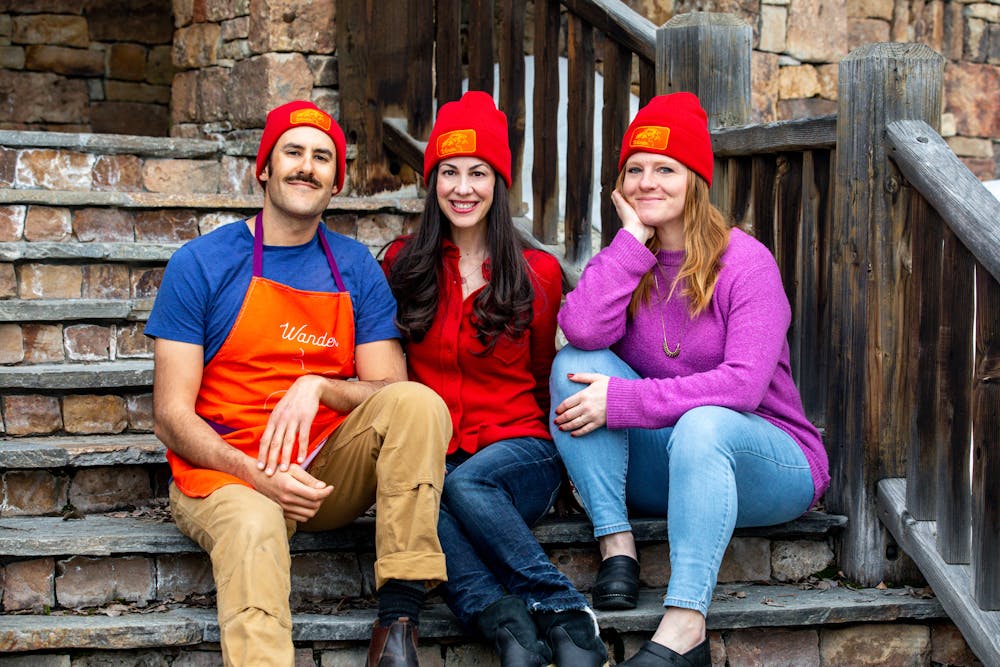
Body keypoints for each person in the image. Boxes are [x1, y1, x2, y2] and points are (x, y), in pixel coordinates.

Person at [146, 100, 451, 667]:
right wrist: (257, 478)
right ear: (263, 168)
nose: (306, 166)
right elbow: (170, 414)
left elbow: (389, 388)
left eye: (323, 157)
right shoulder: (202, 263)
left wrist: (321, 387)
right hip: (224, 473)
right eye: (293, 152)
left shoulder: (355, 266)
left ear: (335, 182)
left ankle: (401, 623)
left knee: (418, 403)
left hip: (323, 473)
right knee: (256, 520)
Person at [548, 92, 830, 667]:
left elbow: (742, 389)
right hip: (673, 466)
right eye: (635, 170)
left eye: (665, 169)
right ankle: (616, 545)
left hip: (769, 463)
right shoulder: (630, 258)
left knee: (703, 423)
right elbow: (579, 326)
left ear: (695, 180)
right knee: (575, 365)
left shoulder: (745, 262)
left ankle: (684, 627)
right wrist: (630, 245)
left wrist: (627, 401)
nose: (647, 182)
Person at [382, 91, 607, 667]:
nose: (463, 187)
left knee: (463, 486)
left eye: (478, 173)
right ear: (432, 182)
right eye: (449, 172)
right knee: (420, 497)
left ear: (498, 183)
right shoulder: (402, 265)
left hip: (520, 452)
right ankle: (503, 620)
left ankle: (561, 604)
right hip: (438, 453)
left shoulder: (538, 273)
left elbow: (539, 374)